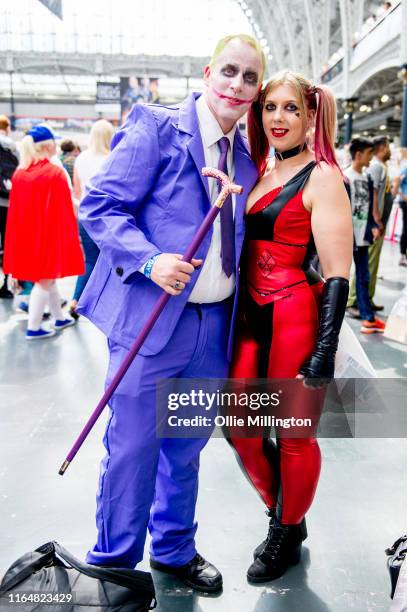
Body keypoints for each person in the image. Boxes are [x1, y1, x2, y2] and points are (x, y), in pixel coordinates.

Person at [76, 34, 266, 592]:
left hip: (212, 327)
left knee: (185, 448)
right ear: (209, 73)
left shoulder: (246, 160)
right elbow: (100, 206)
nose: (237, 84)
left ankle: (174, 550)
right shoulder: (157, 129)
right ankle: (112, 566)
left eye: (250, 77)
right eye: (229, 71)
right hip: (151, 321)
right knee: (133, 449)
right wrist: (151, 259)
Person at [226, 70, 353, 583]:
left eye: (291, 109)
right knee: (240, 428)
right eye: (270, 107)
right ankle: (286, 514)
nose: (278, 118)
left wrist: (324, 350)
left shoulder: (322, 177)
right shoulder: (258, 169)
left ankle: (285, 527)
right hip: (250, 318)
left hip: (296, 319)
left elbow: (339, 272)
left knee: (296, 435)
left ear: (311, 116)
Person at [3, 125, 84, 339]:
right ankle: (34, 327)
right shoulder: (54, 173)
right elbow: (64, 210)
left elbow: (16, 212)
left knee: (49, 280)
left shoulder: (20, 173)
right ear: (48, 146)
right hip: (49, 236)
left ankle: (60, 317)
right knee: (44, 281)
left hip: (27, 236)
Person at [69, 119, 115, 319]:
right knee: (114, 262)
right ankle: (110, 307)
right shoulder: (113, 157)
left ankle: (75, 300)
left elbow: (77, 191)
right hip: (109, 217)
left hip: (85, 215)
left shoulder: (81, 159)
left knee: (90, 261)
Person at [347, 135, 392, 315]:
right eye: (368, 153)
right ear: (358, 155)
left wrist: (374, 224)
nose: (370, 157)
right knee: (341, 274)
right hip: (347, 233)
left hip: (363, 234)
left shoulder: (367, 177)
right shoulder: (345, 177)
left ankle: (365, 310)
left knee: (364, 274)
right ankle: (347, 305)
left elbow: (371, 202)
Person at [0, 114, 19, 299]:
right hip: (7, 203)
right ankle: (6, 284)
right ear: (7, 128)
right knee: (6, 243)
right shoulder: (13, 147)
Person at [392, 148, 407, 267]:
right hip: (405, 202)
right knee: (406, 228)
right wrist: (404, 196)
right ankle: (403, 256)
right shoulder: (405, 168)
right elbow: (397, 183)